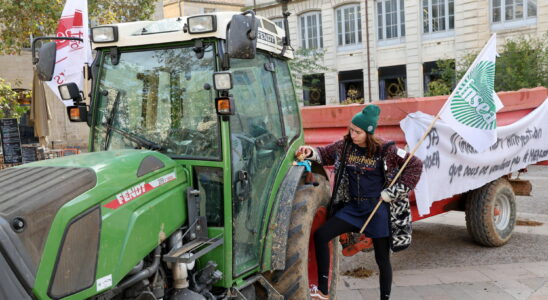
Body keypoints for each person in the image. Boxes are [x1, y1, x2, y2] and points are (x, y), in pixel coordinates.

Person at [296, 104, 423, 300]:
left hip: (378, 208)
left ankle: (385, 298)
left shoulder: (386, 149)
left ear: (369, 132)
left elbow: (415, 165)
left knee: (382, 259)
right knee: (322, 235)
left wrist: (395, 191)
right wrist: (310, 152)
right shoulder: (344, 146)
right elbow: (324, 153)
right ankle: (323, 290)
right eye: (351, 130)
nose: (353, 135)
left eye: (357, 132)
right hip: (353, 208)